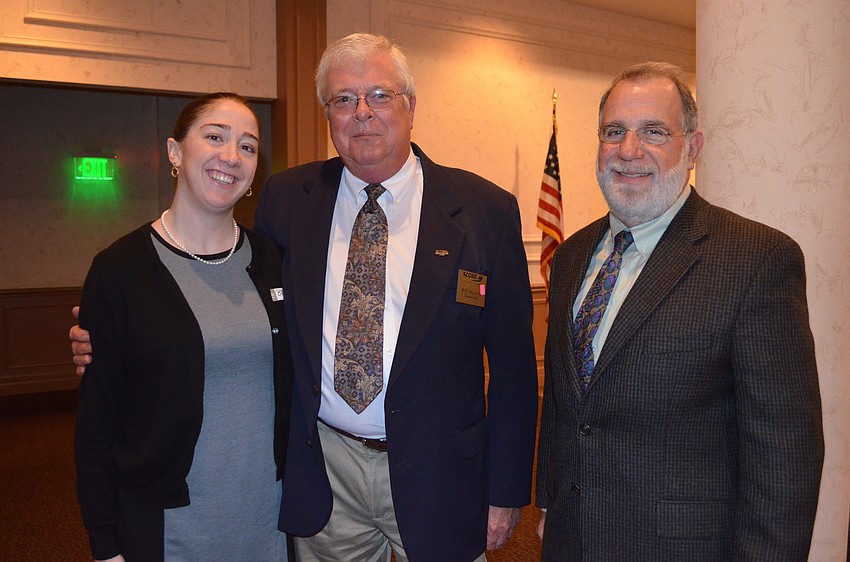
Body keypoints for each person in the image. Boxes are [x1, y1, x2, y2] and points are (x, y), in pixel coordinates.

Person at [72, 34, 538, 562]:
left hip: (442, 473)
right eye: (342, 99)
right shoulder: (289, 199)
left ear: (411, 106)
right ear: (328, 116)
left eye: (379, 95)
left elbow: (515, 368)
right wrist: (104, 338)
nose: (361, 112)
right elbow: (239, 307)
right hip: (324, 469)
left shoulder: (485, 210)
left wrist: (505, 492)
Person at [535, 61, 824, 560]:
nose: (629, 151)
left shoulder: (755, 260)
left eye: (653, 131)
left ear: (692, 147)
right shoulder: (572, 255)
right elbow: (563, 408)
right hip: (572, 539)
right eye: (614, 132)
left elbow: (785, 459)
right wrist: (547, 505)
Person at [73, 92, 293, 561]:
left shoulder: (276, 262)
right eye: (215, 136)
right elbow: (97, 422)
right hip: (170, 524)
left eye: (248, 146)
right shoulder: (120, 271)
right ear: (175, 152)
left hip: (269, 518)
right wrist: (104, 541)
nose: (231, 156)